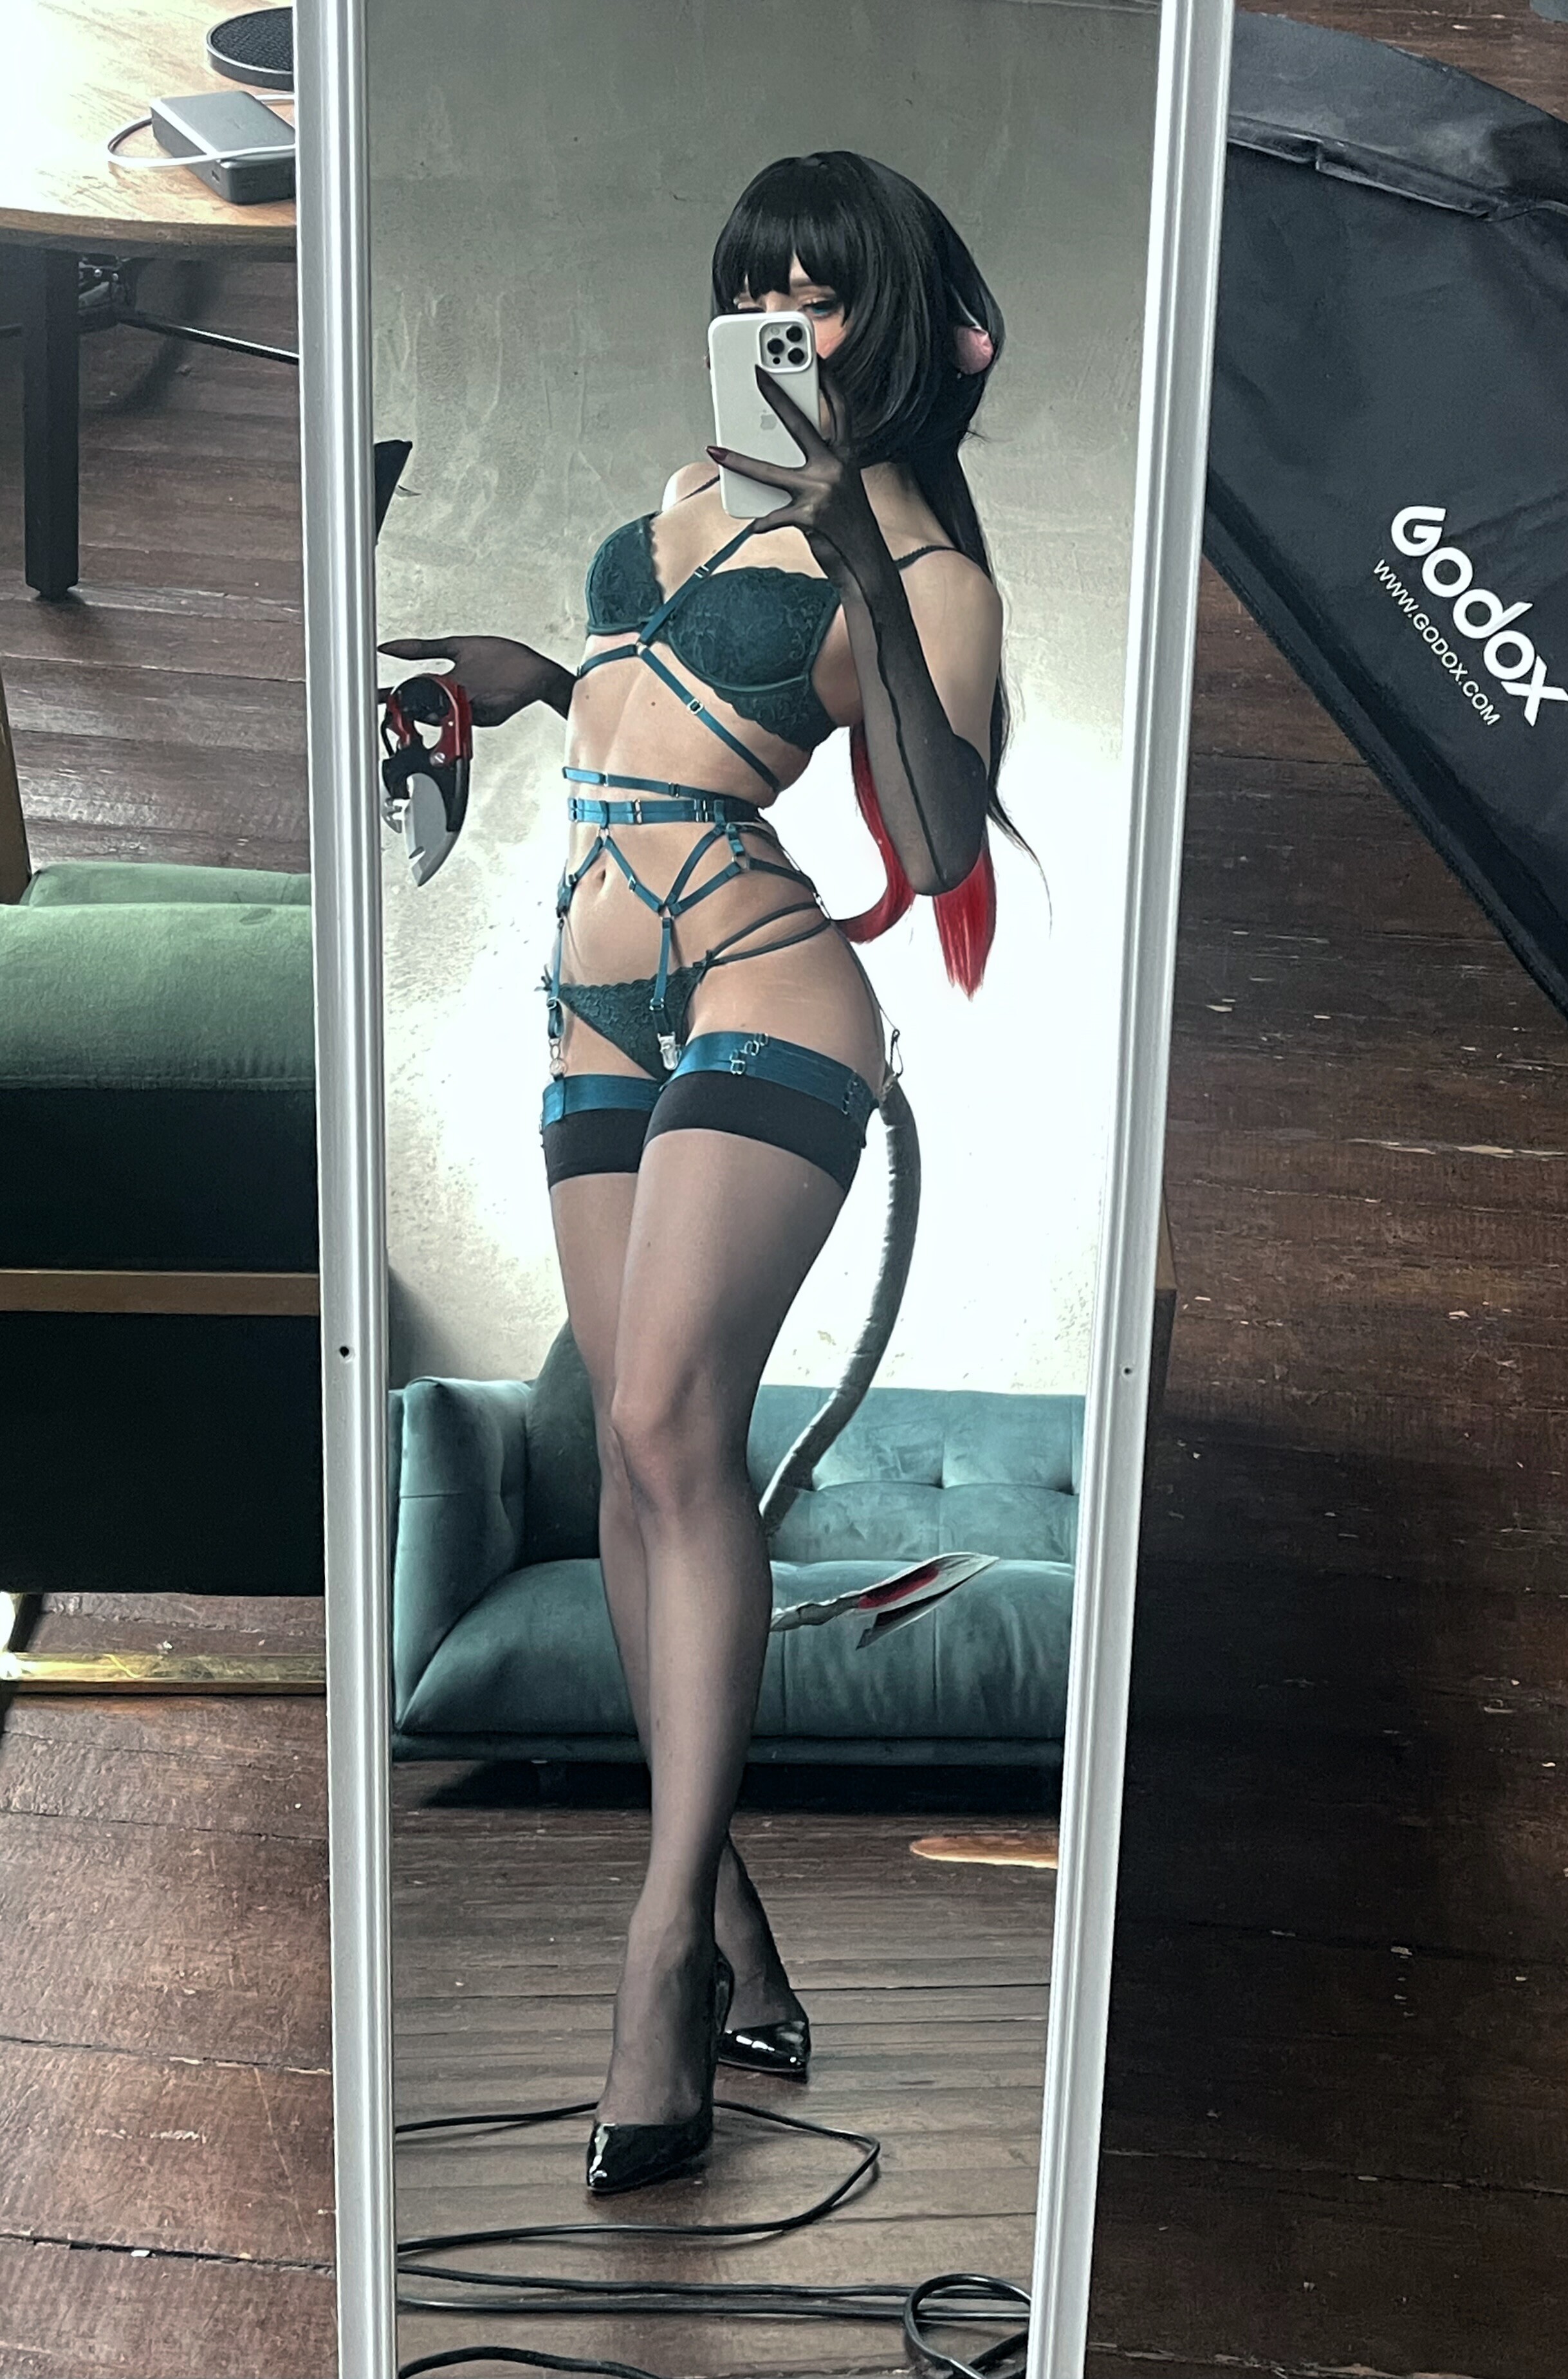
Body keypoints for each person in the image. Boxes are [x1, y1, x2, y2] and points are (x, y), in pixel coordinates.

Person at [381, 149, 1019, 2195]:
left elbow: (938, 829)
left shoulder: (926, 575)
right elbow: (650, 719)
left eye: (822, 296)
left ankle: (657, 1958)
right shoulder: (674, 497)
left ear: (902, 331)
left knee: (670, 1426)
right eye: (758, 292)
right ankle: (727, 1901)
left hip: (766, 993)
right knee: (630, 1464)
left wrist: (855, 550)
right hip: (591, 1009)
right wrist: (527, 677)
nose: (782, 328)